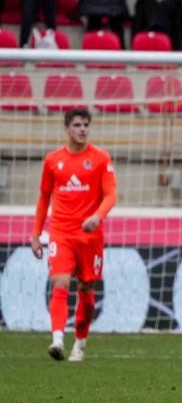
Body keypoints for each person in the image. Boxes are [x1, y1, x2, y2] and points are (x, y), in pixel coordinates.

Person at [32, 108, 117, 362]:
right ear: (67, 128)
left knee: (86, 290)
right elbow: (44, 197)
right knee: (60, 282)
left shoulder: (100, 158)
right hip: (61, 232)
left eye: (86, 125)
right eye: (77, 125)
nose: (82, 129)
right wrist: (36, 233)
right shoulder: (52, 160)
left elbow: (111, 194)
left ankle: (79, 343)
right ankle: (57, 339)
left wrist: (97, 216)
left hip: (90, 236)